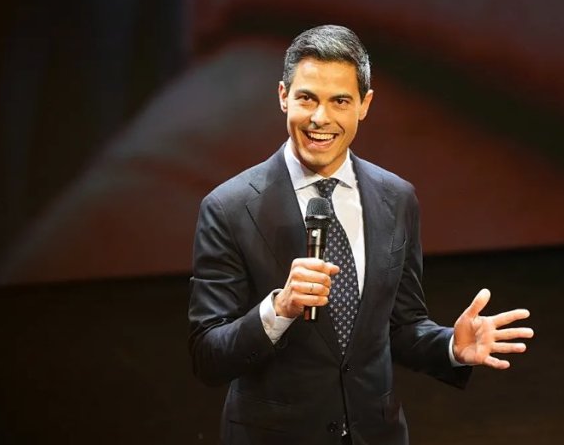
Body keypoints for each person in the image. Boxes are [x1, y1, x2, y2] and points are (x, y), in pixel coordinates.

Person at [188, 25, 534, 445]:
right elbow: (208, 355)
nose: (321, 118)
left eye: (340, 101)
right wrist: (279, 309)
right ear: (283, 97)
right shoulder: (229, 207)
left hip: (377, 432)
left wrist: (450, 347)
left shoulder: (396, 197)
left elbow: (400, 326)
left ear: (364, 105)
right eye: (307, 98)